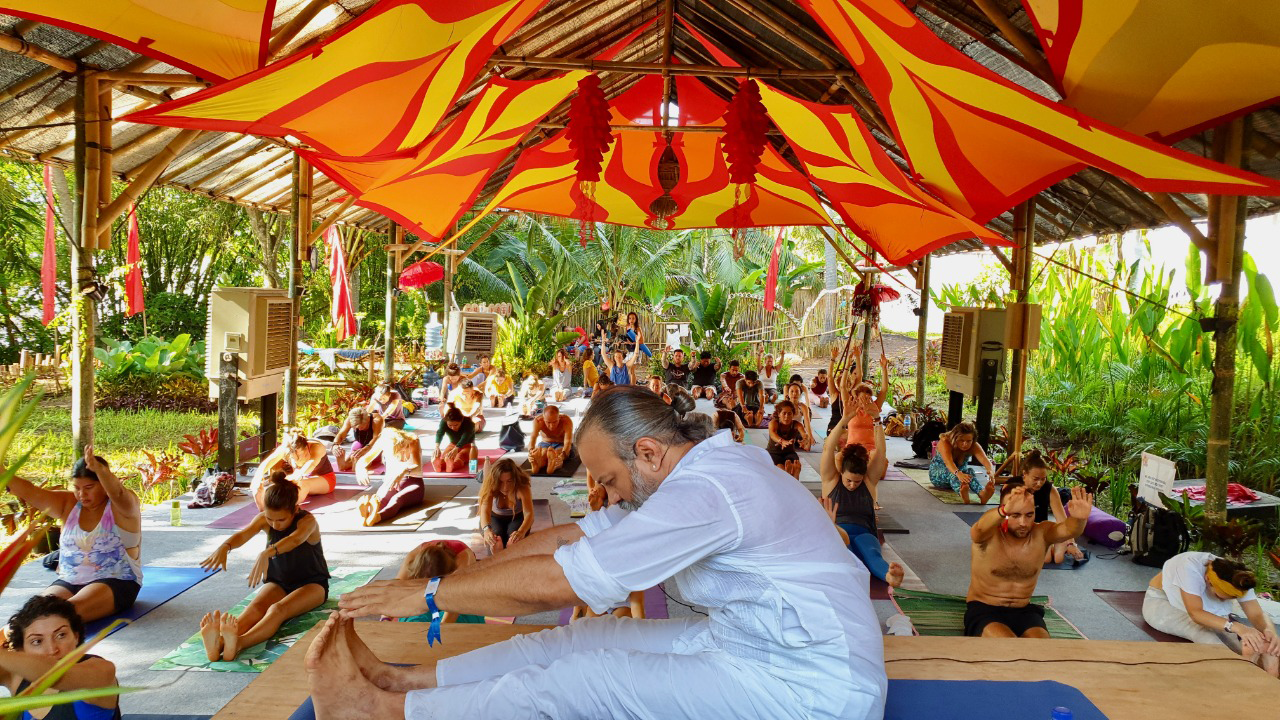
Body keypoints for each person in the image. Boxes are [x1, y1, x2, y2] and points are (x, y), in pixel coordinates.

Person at [313, 385, 886, 720]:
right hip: (753, 640)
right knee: (581, 637)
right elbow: (571, 538)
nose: (605, 495)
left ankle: (384, 712)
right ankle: (406, 682)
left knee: (586, 679)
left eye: (609, 479)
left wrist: (429, 592)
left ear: (648, 452)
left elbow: (569, 581)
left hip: (814, 684)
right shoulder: (687, 476)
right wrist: (476, 572)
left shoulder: (708, 491)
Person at [198, 471, 329, 661]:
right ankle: (219, 642)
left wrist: (269, 552)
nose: (274, 525)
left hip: (312, 584)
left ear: (295, 509)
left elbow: (295, 540)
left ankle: (239, 643)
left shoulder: (308, 521)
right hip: (279, 582)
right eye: (269, 519)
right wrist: (225, 547)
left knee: (277, 610)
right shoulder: (264, 519)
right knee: (255, 607)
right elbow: (243, 535)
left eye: (281, 519)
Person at [1, 448, 140, 623]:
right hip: (69, 580)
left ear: (104, 485)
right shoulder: (67, 504)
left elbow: (118, 492)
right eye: (77, 488)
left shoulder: (123, 507)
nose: (82, 494)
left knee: (60, 616)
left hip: (116, 581)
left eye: (89, 487)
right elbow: (30, 491)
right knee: (30, 616)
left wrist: (101, 471)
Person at [964, 484, 1091, 638]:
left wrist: (1079, 519)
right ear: (1004, 511)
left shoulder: (1042, 533)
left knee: (1042, 650)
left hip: (1023, 610)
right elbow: (977, 532)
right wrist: (1004, 510)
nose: (1023, 523)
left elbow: (1069, 530)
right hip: (984, 608)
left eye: (1029, 515)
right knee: (1008, 646)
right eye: (1015, 515)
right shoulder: (989, 535)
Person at [1142, 552, 1279, 676]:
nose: (1222, 601)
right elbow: (1196, 614)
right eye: (1221, 597)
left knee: (1247, 640)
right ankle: (1239, 671)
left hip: (1205, 611)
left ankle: (1260, 665)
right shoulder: (1189, 567)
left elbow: (1256, 614)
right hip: (1161, 602)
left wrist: (1269, 632)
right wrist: (1238, 627)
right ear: (1208, 579)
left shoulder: (1238, 577)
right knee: (1203, 633)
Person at [820, 398, 903, 587]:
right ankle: (843, 552)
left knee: (871, 554)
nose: (852, 485)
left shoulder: (868, 482)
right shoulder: (831, 480)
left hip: (864, 532)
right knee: (845, 550)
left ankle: (890, 577)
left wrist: (877, 420)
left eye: (856, 481)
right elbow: (827, 449)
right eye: (848, 480)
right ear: (841, 473)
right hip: (839, 532)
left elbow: (880, 452)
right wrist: (844, 420)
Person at [1, 595, 121, 720]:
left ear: (76, 636)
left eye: (61, 635)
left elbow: (55, 675)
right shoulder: (18, 678)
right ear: (22, 650)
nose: (52, 650)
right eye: (37, 641)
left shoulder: (101, 671)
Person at [1007, 449, 1087, 565]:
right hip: (1020, 530)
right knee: (1046, 559)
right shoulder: (1012, 487)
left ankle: (1058, 544)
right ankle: (1052, 545)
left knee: (1058, 558)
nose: (1039, 483)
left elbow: (1061, 519)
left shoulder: (1050, 490)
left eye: (1043, 479)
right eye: (1035, 479)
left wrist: (1071, 543)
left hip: (1041, 531)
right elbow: (1005, 518)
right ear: (1024, 474)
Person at [393, 541, 485, 625]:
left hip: (464, 595)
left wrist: (442, 630)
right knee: (411, 617)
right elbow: (395, 590)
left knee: (462, 619)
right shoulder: (412, 558)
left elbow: (455, 604)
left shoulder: (462, 562)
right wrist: (386, 615)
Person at [357, 428, 427, 526]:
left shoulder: (413, 440)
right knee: (380, 500)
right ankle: (367, 515)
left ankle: (377, 517)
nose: (401, 455)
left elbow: (417, 465)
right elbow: (364, 459)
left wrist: (404, 471)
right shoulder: (384, 440)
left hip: (412, 481)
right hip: (391, 482)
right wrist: (361, 468)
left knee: (397, 499)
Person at [253, 431, 337, 508]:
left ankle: (283, 508)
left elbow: (311, 464)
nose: (298, 456)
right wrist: (256, 479)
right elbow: (266, 463)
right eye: (294, 453)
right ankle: (263, 506)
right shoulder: (285, 449)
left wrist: (297, 475)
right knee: (276, 486)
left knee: (302, 484)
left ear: (306, 446)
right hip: (299, 479)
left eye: (301, 453)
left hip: (325, 479)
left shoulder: (317, 447)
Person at [928, 422, 997, 505]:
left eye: (968, 441)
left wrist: (991, 471)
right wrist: (958, 473)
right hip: (939, 476)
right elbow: (948, 462)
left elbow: (985, 460)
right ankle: (962, 493)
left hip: (961, 477)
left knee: (970, 472)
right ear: (955, 438)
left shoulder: (974, 445)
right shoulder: (945, 442)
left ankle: (982, 493)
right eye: (962, 440)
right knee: (953, 474)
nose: (965, 444)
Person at [476, 458, 534, 555]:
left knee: (513, 542)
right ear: (495, 480)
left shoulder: (522, 487)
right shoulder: (490, 485)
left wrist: (521, 531)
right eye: (500, 482)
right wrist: (486, 530)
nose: (505, 487)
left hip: (517, 518)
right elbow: (485, 511)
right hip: (494, 517)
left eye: (509, 481)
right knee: (495, 541)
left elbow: (529, 513)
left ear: (515, 479)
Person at [844, 354, 889, 454]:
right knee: (838, 458)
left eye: (868, 398)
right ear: (856, 398)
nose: (865, 401)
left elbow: (884, 390)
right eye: (863, 398)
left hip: (870, 449)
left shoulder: (874, 408)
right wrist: (847, 366)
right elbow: (843, 387)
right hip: (852, 449)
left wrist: (884, 369)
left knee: (882, 462)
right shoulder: (851, 407)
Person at [332, 407, 384, 473]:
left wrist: (365, 450)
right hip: (361, 445)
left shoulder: (376, 420)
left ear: (367, 421)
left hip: (375, 446)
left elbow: (376, 438)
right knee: (343, 466)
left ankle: (360, 466)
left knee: (357, 464)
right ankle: (344, 463)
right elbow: (341, 434)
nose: (359, 429)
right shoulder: (351, 419)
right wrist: (335, 445)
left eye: (361, 427)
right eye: (356, 427)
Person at [529, 404, 574, 476]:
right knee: (543, 453)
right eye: (548, 422)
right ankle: (539, 464)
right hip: (545, 443)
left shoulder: (566, 420)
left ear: (559, 417)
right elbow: (533, 438)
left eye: (555, 422)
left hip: (560, 444)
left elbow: (568, 441)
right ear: (543, 418)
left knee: (557, 455)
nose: (551, 425)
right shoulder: (538, 421)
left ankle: (554, 465)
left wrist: (562, 456)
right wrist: (531, 451)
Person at [766, 400, 805, 479]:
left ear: (793, 414)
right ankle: (788, 477)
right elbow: (773, 434)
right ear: (779, 414)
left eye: (789, 413)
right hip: (773, 453)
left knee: (796, 466)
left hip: (789, 453)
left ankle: (794, 477)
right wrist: (782, 441)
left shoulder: (796, 424)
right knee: (780, 468)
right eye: (784, 413)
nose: (786, 416)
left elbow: (803, 432)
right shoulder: (774, 423)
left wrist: (805, 438)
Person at [432, 407, 477, 474]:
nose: (453, 428)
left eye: (456, 425)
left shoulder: (469, 423)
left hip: (468, 446)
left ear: (461, 421)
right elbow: (440, 433)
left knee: (460, 456)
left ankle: (451, 465)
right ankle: (439, 464)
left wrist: (456, 448)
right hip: (452, 444)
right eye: (450, 425)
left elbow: (465, 437)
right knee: (446, 456)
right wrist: (437, 447)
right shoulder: (444, 422)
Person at [784, 381, 815, 451]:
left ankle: (799, 442)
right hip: (786, 431)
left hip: (798, 431)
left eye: (797, 391)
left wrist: (810, 437)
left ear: (800, 394)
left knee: (807, 447)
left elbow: (807, 423)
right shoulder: (785, 405)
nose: (794, 394)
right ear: (788, 394)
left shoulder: (803, 407)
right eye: (791, 391)